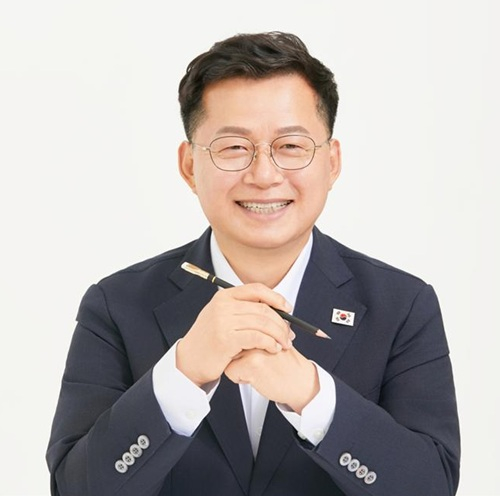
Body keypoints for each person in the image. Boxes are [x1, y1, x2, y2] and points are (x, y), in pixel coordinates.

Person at [46, 31, 460, 495]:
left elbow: (432, 487)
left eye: (291, 146)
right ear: (189, 166)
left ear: (332, 162)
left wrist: (313, 397)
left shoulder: (402, 306)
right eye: (234, 148)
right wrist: (183, 373)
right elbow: (74, 488)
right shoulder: (116, 304)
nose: (264, 175)